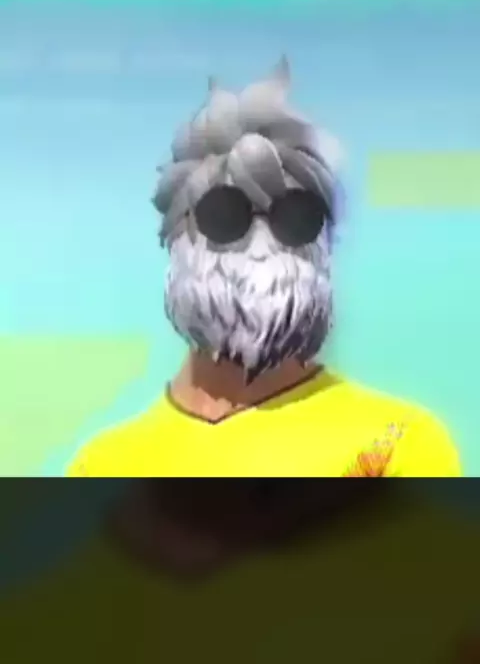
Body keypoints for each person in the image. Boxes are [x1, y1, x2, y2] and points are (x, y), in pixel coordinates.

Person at [67, 56, 461, 477]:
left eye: (296, 217)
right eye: (225, 214)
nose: (260, 239)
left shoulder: (396, 443)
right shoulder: (104, 465)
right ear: (179, 234)